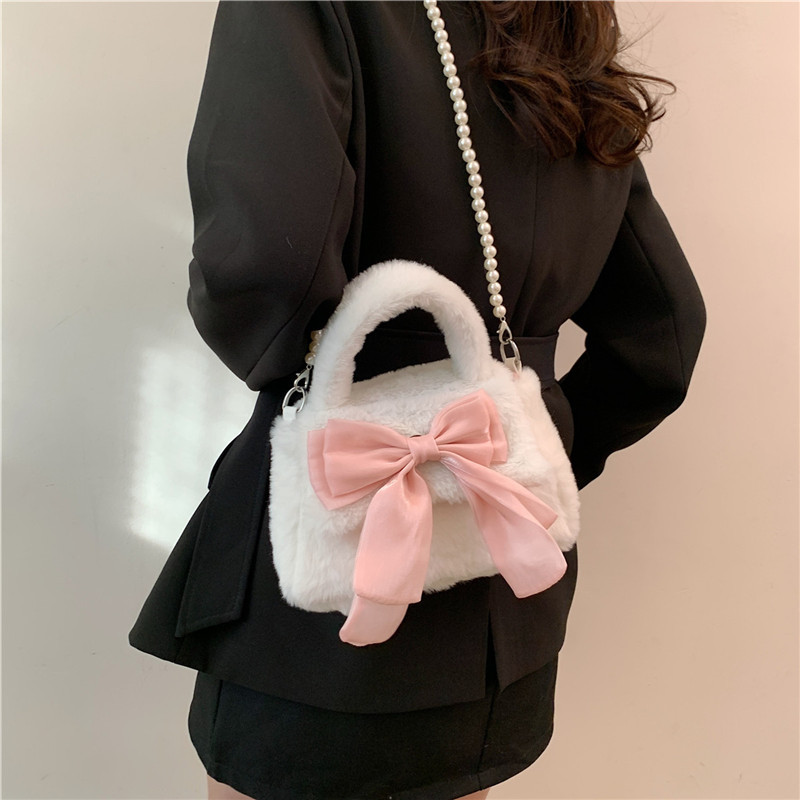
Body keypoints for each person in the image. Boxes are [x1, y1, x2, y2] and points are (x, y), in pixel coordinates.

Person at [128, 2, 706, 799]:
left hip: (317, 609)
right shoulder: (563, 24)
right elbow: (665, 336)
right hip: (501, 609)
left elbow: (264, 271)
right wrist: (501, 469)